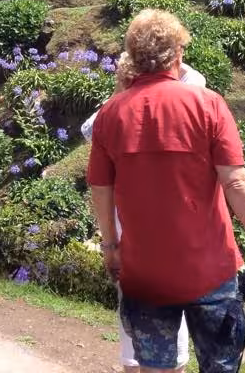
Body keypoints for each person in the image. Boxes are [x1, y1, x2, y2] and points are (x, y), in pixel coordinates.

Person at [87, 9, 245, 373]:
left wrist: (110, 246)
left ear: (133, 58)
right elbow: (236, 182)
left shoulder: (110, 115)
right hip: (211, 271)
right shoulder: (208, 104)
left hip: (144, 274)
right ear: (178, 56)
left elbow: (101, 190)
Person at [81, 59, 208, 372]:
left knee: (137, 322)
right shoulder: (166, 107)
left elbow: (89, 131)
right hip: (168, 237)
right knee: (168, 324)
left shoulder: (118, 115)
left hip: (133, 237)